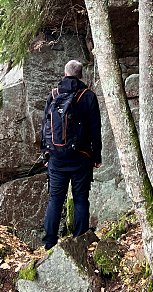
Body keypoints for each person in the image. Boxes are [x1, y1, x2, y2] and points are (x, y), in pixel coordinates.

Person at [41, 59, 102, 250]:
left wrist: (46, 154)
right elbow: (95, 130)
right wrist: (96, 156)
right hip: (81, 157)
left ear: (65, 73)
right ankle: (81, 240)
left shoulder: (53, 95)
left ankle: (50, 242)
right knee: (80, 199)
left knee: (55, 200)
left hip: (56, 158)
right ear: (81, 75)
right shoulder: (88, 96)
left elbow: (44, 127)